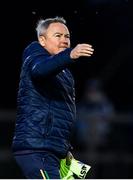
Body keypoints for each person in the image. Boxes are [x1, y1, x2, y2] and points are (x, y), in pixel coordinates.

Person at [12, 16, 94, 179]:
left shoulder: (65, 73)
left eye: (67, 36)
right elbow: (40, 70)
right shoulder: (33, 55)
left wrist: (65, 150)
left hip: (59, 153)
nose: (64, 40)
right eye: (58, 36)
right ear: (42, 40)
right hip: (37, 150)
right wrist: (70, 55)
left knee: (85, 174)